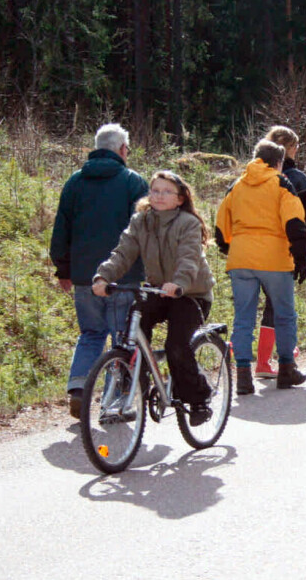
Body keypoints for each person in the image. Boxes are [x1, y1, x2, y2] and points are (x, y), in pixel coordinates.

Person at [92, 171, 216, 426]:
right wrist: (103, 277)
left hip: (190, 293)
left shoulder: (188, 223)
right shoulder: (141, 221)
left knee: (176, 347)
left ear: (180, 199)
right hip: (157, 290)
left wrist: (179, 283)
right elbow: (123, 252)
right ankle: (137, 384)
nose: (159, 196)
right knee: (133, 332)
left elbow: (189, 258)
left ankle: (199, 398)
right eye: (155, 190)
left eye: (166, 191)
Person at [50, 123, 148, 419]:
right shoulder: (133, 182)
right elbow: (144, 231)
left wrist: (63, 269)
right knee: (122, 339)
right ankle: (114, 404)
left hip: (84, 277)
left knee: (91, 333)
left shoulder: (74, 182)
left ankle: (79, 388)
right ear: (121, 149)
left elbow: (61, 229)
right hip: (123, 276)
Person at [215, 139, 306, 395]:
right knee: (284, 314)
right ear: (279, 162)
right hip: (274, 259)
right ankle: (287, 368)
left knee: (243, 317)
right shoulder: (281, 182)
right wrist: (301, 258)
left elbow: (221, 226)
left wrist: (232, 249)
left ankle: (243, 375)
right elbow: (294, 222)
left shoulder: (237, 185)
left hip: (241, 259)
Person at [253, 125, 306, 379]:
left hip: (251, 250)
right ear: (291, 149)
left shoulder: (252, 177)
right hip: (285, 250)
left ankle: (258, 359)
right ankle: (271, 360)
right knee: (278, 304)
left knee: (254, 305)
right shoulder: (298, 179)